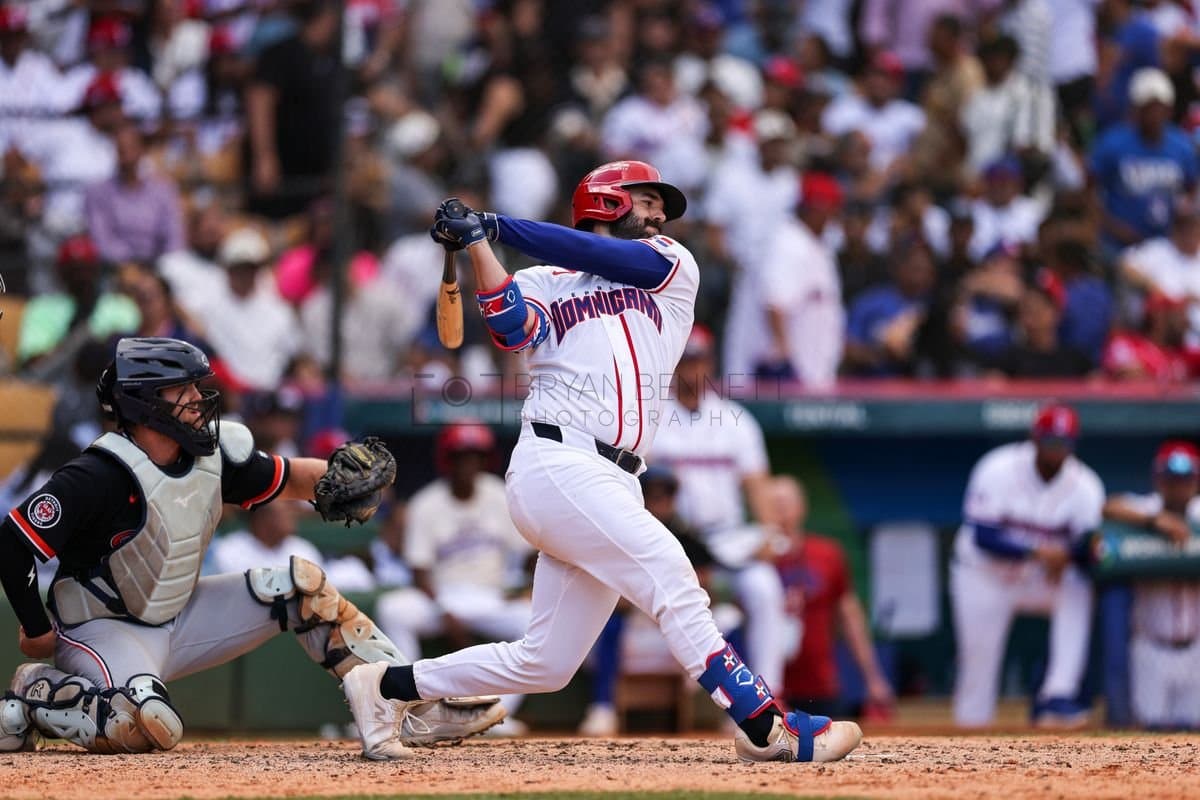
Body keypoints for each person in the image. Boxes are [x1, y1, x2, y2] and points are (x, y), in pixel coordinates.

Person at [340, 161, 863, 764]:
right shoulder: (542, 281)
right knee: (673, 574)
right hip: (557, 462)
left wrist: (494, 224)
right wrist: (481, 247)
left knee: (547, 662)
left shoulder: (670, 266)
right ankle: (766, 726)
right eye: (646, 200)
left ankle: (384, 687)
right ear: (609, 202)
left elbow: (612, 258)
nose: (659, 213)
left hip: (612, 478)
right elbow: (510, 328)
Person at [0, 337, 503, 755]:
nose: (199, 399)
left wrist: (343, 479)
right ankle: (36, 692)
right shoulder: (95, 475)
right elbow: (12, 542)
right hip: (101, 630)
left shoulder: (212, 455)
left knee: (299, 587)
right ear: (145, 403)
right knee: (146, 726)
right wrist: (38, 630)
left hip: (180, 614)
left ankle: (410, 702)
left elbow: (290, 478)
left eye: (198, 387)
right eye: (184, 390)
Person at [651, 325, 793, 696]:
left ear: (710, 364)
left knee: (764, 586)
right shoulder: (650, 418)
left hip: (727, 538)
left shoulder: (737, 420)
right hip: (675, 541)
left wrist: (771, 537)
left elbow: (758, 488)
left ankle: (768, 694)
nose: (691, 370)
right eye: (685, 361)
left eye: (698, 361)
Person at [950, 403, 1104, 728]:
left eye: (1064, 443)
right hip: (983, 574)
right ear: (1034, 438)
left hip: (1036, 580)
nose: (1057, 449)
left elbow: (1087, 546)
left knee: (1076, 585)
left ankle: (1058, 694)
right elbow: (984, 536)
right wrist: (1039, 552)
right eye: (1050, 441)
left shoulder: (1086, 485)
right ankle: (970, 730)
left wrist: (1070, 555)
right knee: (977, 662)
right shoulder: (998, 467)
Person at [373, 422, 532, 732]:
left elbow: (528, 556)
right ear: (448, 460)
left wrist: (528, 589)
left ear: (485, 461)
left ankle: (493, 714)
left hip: (490, 597)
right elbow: (419, 571)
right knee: (393, 609)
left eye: (474, 456)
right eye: (460, 456)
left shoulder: (500, 495)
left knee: (533, 622)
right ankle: (410, 711)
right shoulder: (426, 502)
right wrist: (443, 610)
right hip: (441, 595)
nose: (467, 464)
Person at [771, 477, 895, 719]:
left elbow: (850, 619)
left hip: (821, 686)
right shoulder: (751, 561)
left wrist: (873, 678)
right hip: (768, 688)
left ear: (801, 507)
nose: (780, 510)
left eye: (785, 502)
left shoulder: (827, 554)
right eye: (773, 504)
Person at [1102, 441, 1200, 729]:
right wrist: (1155, 521)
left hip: (1195, 648)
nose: (1178, 487)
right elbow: (1109, 506)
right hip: (1151, 646)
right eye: (1171, 480)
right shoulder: (1145, 508)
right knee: (1149, 736)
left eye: (1185, 480)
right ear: (1158, 479)